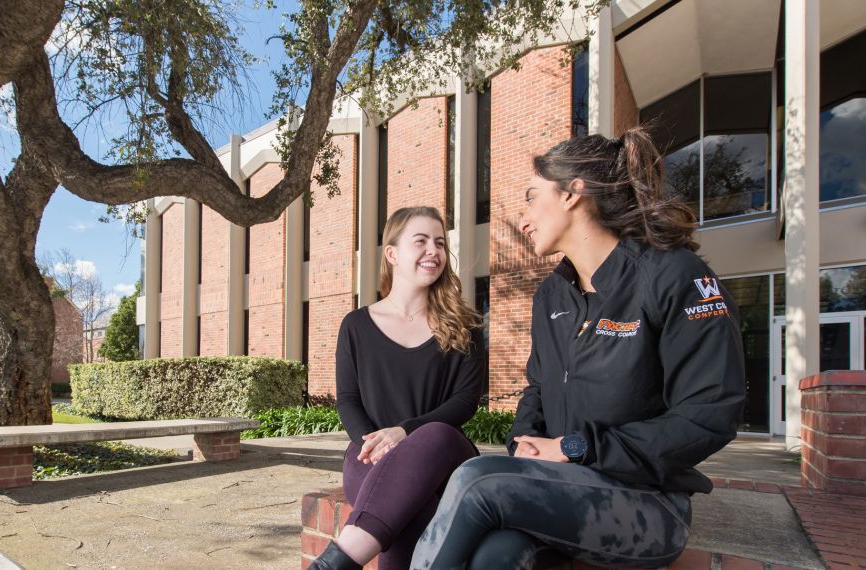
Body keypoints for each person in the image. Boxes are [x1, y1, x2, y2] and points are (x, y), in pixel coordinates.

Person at [410, 128, 746, 569]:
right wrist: (523, 443)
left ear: (573, 193)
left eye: (532, 197)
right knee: (498, 554)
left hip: (648, 504)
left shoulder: (674, 276)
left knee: (475, 479)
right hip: (561, 486)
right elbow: (537, 390)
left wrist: (576, 448)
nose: (524, 218)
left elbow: (709, 414)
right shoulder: (552, 295)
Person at [310, 206, 486, 570]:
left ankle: (334, 563)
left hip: (445, 454)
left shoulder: (465, 326)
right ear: (391, 254)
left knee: (436, 434)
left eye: (439, 243)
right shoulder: (356, 325)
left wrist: (404, 433)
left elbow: (465, 401)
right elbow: (347, 399)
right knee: (397, 513)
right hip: (369, 452)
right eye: (420, 241)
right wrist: (372, 443)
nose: (433, 251)